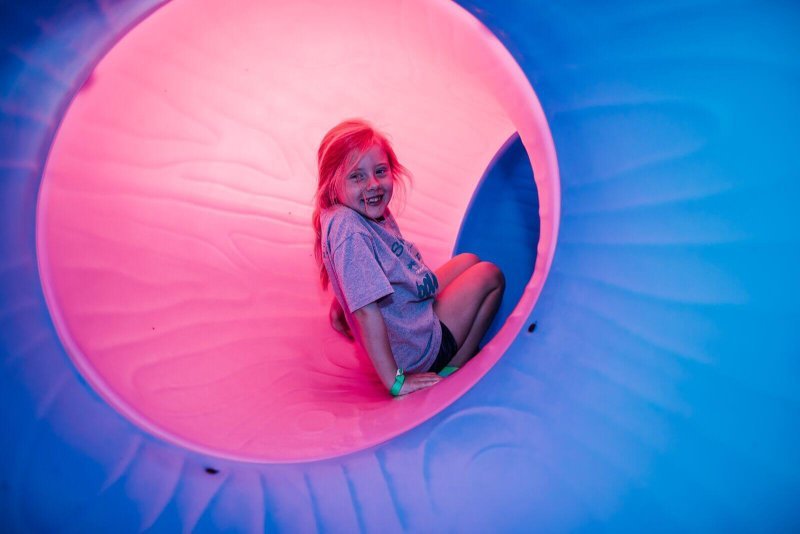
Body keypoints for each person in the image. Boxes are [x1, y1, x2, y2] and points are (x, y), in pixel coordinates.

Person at [312, 119, 505, 396]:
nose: (373, 184)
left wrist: (340, 303)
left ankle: (447, 355)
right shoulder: (349, 229)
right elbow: (365, 310)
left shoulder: (353, 211)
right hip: (416, 350)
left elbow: (356, 271)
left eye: (380, 171)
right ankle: (453, 366)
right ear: (332, 184)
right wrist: (396, 381)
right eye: (357, 176)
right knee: (490, 275)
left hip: (408, 312)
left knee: (470, 260)